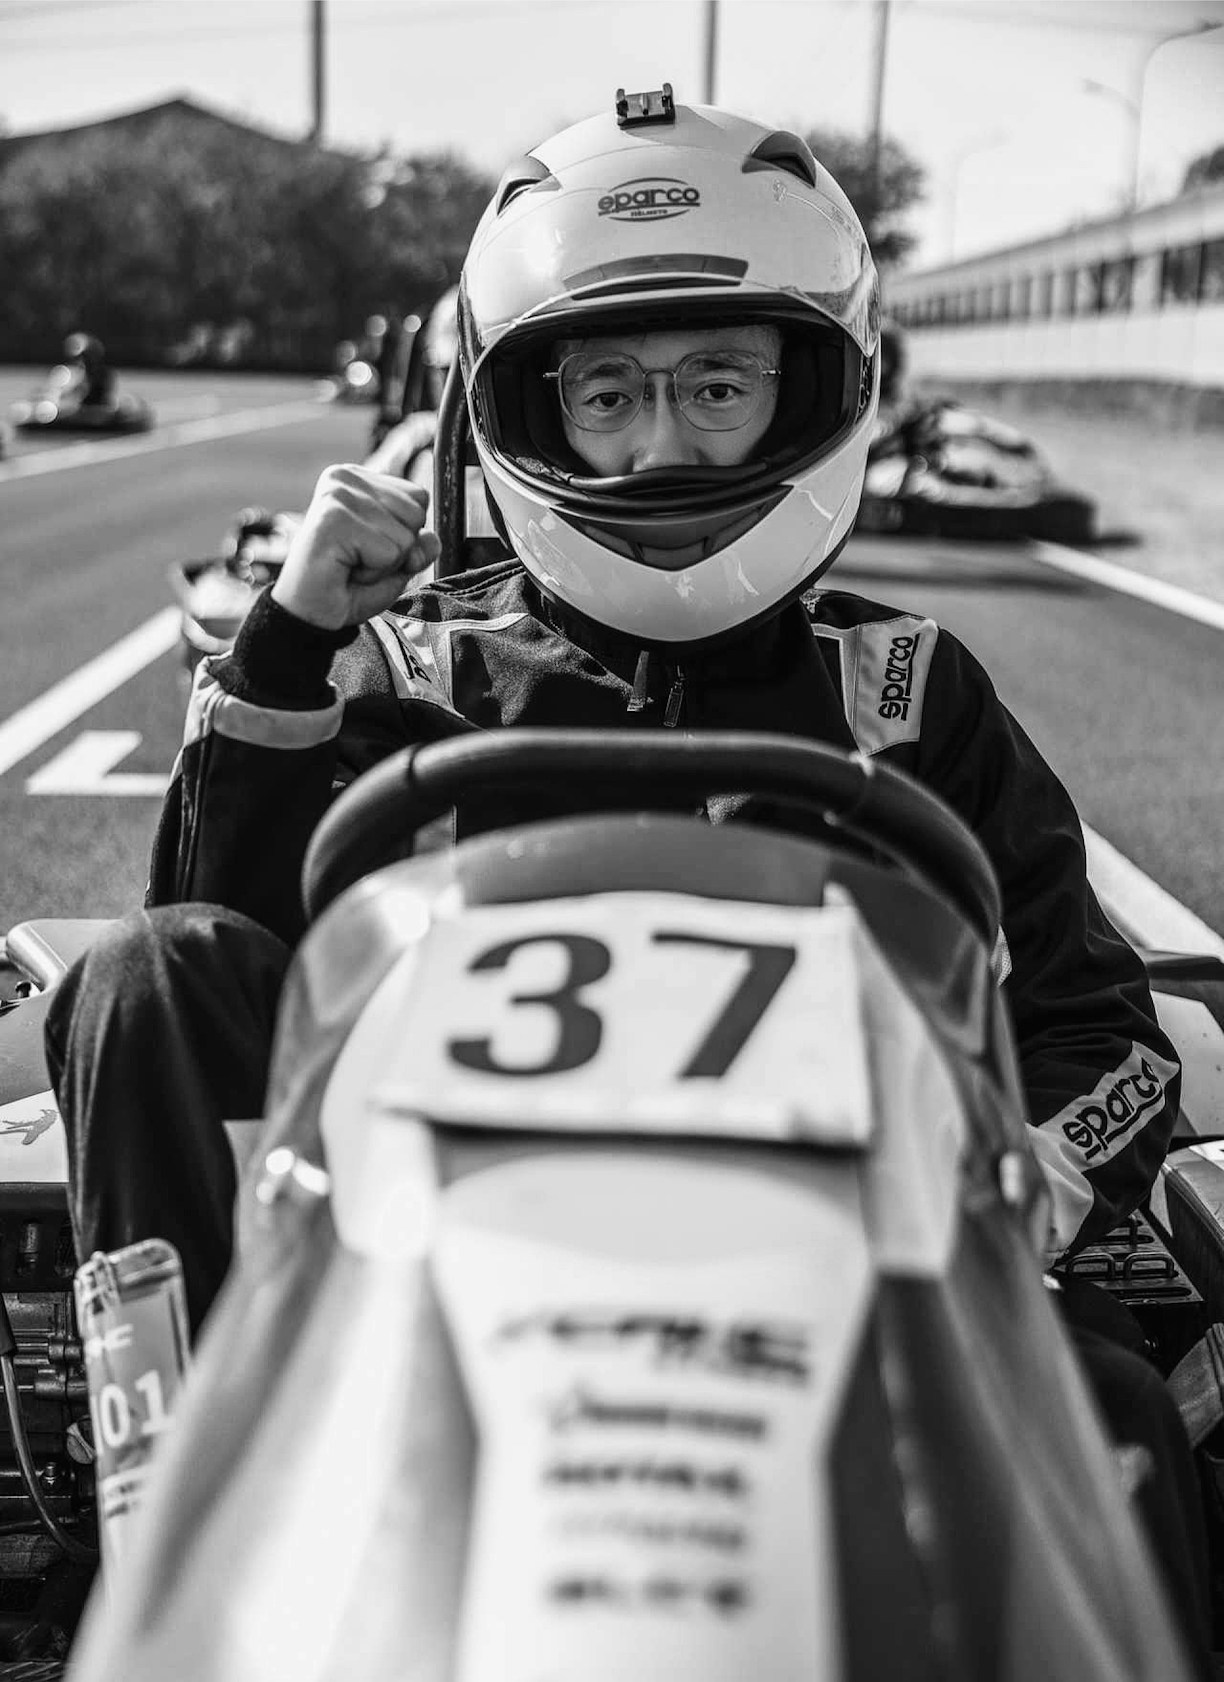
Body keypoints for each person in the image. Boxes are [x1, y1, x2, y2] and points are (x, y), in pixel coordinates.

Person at [45, 91, 1209, 1667]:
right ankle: (183, 1525)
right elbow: (214, 938)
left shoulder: (906, 690)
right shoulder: (408, 666)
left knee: (1124, 1405)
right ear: (530, 410)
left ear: (814, 387)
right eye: (608, 392)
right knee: (134, 969)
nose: (661, 442)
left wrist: (1007, 1184)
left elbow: (1113, 1037)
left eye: (716, 384)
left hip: (845, 1271)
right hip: (429, 1261)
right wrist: (287, 637)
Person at [61, 331, 115, 408]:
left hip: (95, 409)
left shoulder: (102, 374)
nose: (83, 361)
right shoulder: (71, 373)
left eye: (87, 357)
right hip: (82, 409)